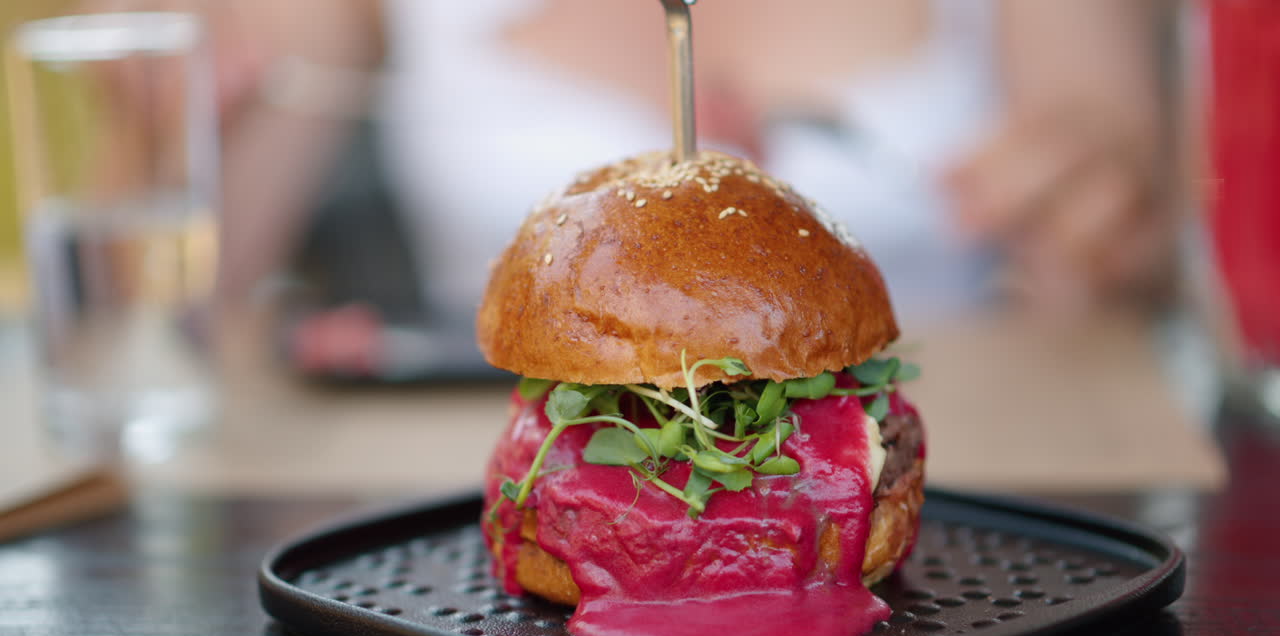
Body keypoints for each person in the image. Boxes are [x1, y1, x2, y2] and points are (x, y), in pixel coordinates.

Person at [88, 0, 1174, 374]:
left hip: (979, 481)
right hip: (451, 521)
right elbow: (138, 316)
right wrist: (176, 114)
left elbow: (1146, 219)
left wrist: (1097, 211)